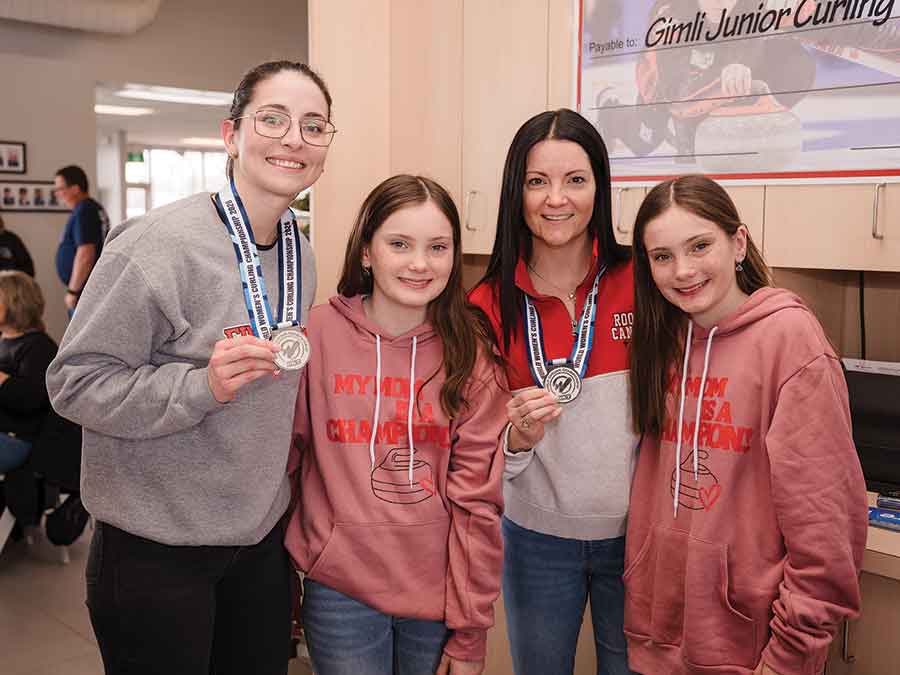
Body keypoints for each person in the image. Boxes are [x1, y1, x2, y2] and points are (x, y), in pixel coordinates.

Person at [46, 60, 334, 675]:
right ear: (231, 136)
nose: (293, 139)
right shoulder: (155, 246)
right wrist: (199, 385)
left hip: (256, 542)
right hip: (156, 551)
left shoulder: (300, 253)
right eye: (273, 119)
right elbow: (72, 383)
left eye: (314, 126)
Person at [625, 174, 868, 675]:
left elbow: (825, 525)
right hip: (657, 638)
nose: (684, 270)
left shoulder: (791, 341)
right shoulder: (662, 340)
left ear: (738, 243)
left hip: (754, 649)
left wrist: (788, 657)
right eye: (663, 256)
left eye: (699, 246)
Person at [285, 174, 507, 675]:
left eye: (438, 247)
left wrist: (471, 630)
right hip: (340, 589)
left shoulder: (470, 352)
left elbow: (479, 502)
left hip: (439, 595)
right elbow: (287, 461)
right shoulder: (316, 334)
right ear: (367, 251)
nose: (420, 263)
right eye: (399, 244)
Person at [469, 108, 637, 675]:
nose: (556, 199)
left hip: (639, 536)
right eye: (537, 181)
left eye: (575, 180)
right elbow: (479, 454)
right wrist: (516, 438)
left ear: (600, 187)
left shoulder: (644, 282)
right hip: (535, 539)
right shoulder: (485, 307)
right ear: (515, 192)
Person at [0, 271, 56, 473]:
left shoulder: (39, 346)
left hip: (16, 438)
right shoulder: (4, 341)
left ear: (16, 303)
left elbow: (32, 400)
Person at [52, 165, 110, 315]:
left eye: (60, 189)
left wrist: (73, 290)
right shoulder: (93, 208)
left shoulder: (84, 210)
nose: (57, 194)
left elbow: (85, 254)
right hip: (91, 288)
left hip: (84, 291)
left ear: (75, 189)